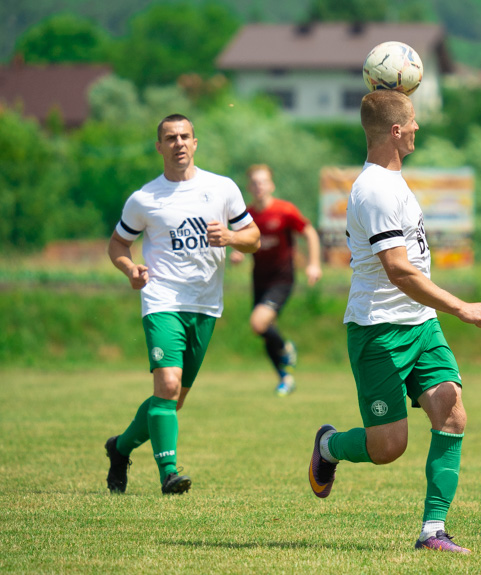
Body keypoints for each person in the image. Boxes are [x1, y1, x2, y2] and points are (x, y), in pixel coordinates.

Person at [307, 90, 481, 554]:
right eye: (410, 121)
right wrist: (460, 307)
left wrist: (436, 312)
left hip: (420, 324)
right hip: (377, 330)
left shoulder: (395, 181)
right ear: (394, 130)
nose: (416, 128)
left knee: (452, 410)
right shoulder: (373, 190)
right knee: (389, 447)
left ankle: (433, 531)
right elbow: (399, 269)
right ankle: (329, 445)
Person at [104, 114, 261, 495]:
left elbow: (253, 238)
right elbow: (117, 244)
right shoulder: (144, 199)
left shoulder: (222, 188)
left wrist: (231, 238)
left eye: (184, 136)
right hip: (162, 301)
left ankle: (120, 448)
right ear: (159, 146)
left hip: (205, 306)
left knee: (173, 400)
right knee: (168, 384)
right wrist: (130, 269)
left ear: (195, 143)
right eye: (170, 138)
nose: (178, 143)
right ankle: (169, 473)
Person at [230, 164, 322, 396]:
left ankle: (285, 347)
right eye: (255, 182)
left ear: (271, 185)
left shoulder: (284, 210)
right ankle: (285, 377)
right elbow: (242, 240)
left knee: (258, 323)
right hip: (259, 279)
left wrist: (314, 264)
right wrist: (238, 252)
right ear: (249, 187)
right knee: (263, 329)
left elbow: (309, 232)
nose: (259, 186)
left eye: (263, 182)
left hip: (282, 278)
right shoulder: (248, 215)